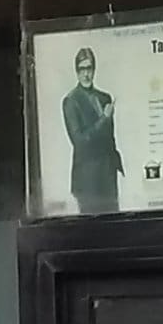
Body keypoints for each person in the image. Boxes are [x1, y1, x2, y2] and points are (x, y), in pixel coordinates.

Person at [61, 47, 123, 211]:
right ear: (76, 71)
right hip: (87, 180)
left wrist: (115, 164)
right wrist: (104, 118)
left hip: (108, 177)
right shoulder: (71, 101)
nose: (86, 74)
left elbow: (110, 137)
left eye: (89, 68)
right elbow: (79, 141)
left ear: (94, 69)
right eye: (82, 69)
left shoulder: (104, 98)